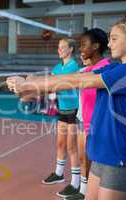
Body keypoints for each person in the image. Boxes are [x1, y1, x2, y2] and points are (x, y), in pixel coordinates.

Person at [7, 18, 126, 200]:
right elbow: (77, 76)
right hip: (101, 153)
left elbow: (80, 81)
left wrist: (29, 84)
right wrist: (29, 84)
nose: (109, 44)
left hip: (118, 157)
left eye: (114, 39)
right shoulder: (115, 67)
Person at [67, 28, 110, 200]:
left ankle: (94, 192)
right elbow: (68, 78)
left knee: (96, 163)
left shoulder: (105, 68)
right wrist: (30, 83)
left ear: (96, 46)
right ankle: (84, 191)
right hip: (83, 121)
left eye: (84, 44)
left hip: (97, 124)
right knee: (84, 158)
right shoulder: (87, 69)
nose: (80, 48)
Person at [41, 38, 80, 198]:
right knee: (60, 143)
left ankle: (76, 183)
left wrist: (52, 87)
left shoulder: (74, 66)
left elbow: (63, 85)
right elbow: (49, 84)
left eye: (62, 47)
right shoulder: (57, 67)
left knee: (71, 146)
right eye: (58, 47)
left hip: (74, 109)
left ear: (71, 49)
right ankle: (59, 174)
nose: (59, 50)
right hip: (62, 109)